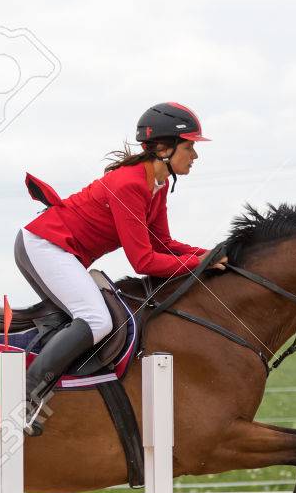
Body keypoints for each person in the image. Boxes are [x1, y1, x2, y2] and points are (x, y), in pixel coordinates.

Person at [16, 102, 214, 434]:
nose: (195, 155)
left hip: (59, 251)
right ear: (164, 148)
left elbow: (162, 242)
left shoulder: (157, 184)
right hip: (43, 246)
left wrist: (211, 254)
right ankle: (24, 395)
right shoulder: (130, 185)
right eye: (190, 145)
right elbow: (144, 262)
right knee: (96, 319)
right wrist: (200, 265)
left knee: (93, 316)